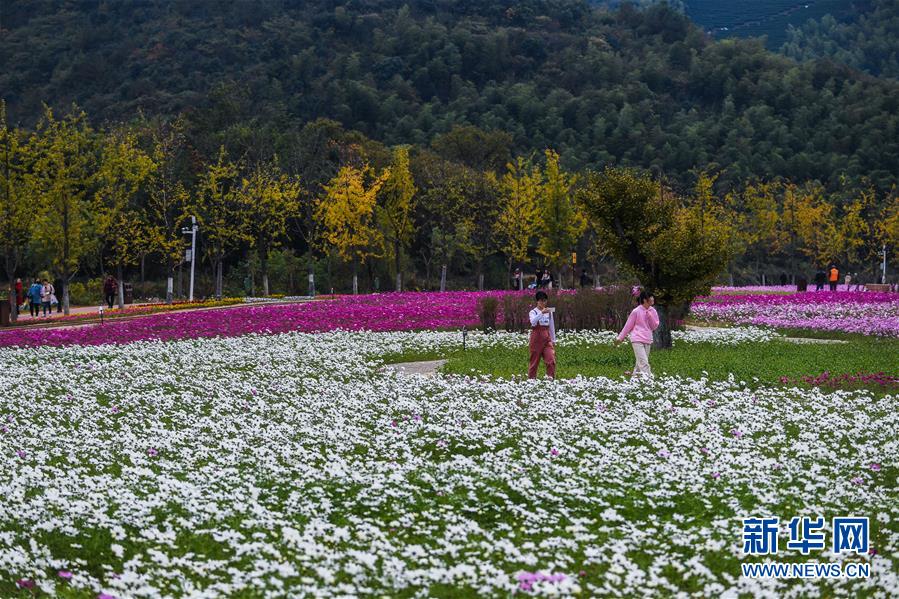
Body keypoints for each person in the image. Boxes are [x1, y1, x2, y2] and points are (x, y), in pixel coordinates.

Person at [615, 290, 660, 379]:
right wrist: (620, 337)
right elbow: (628, 325)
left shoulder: (653, 311)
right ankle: (649, 381)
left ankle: (635, 382)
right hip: (637, 339)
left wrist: (649, 315)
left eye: (652, 296)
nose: (652, 298)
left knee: (639, 364)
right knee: (644, 362)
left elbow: (654, 326)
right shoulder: (636, 311)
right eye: (650, 297)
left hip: (647, 339)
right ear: (644, 300)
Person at [528, 291, 556, 380]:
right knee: (534, 361)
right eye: (541, 301)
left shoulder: (549, 312)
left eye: (545, 301)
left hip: (547, 338)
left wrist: (553, 339)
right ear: (537, 301)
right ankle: (531, 380)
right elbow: (533, 322)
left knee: (551, 359)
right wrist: (541, 313)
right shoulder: (533, 312)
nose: (543, 303)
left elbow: (551, 325)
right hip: (536, 338)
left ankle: (550, 379)